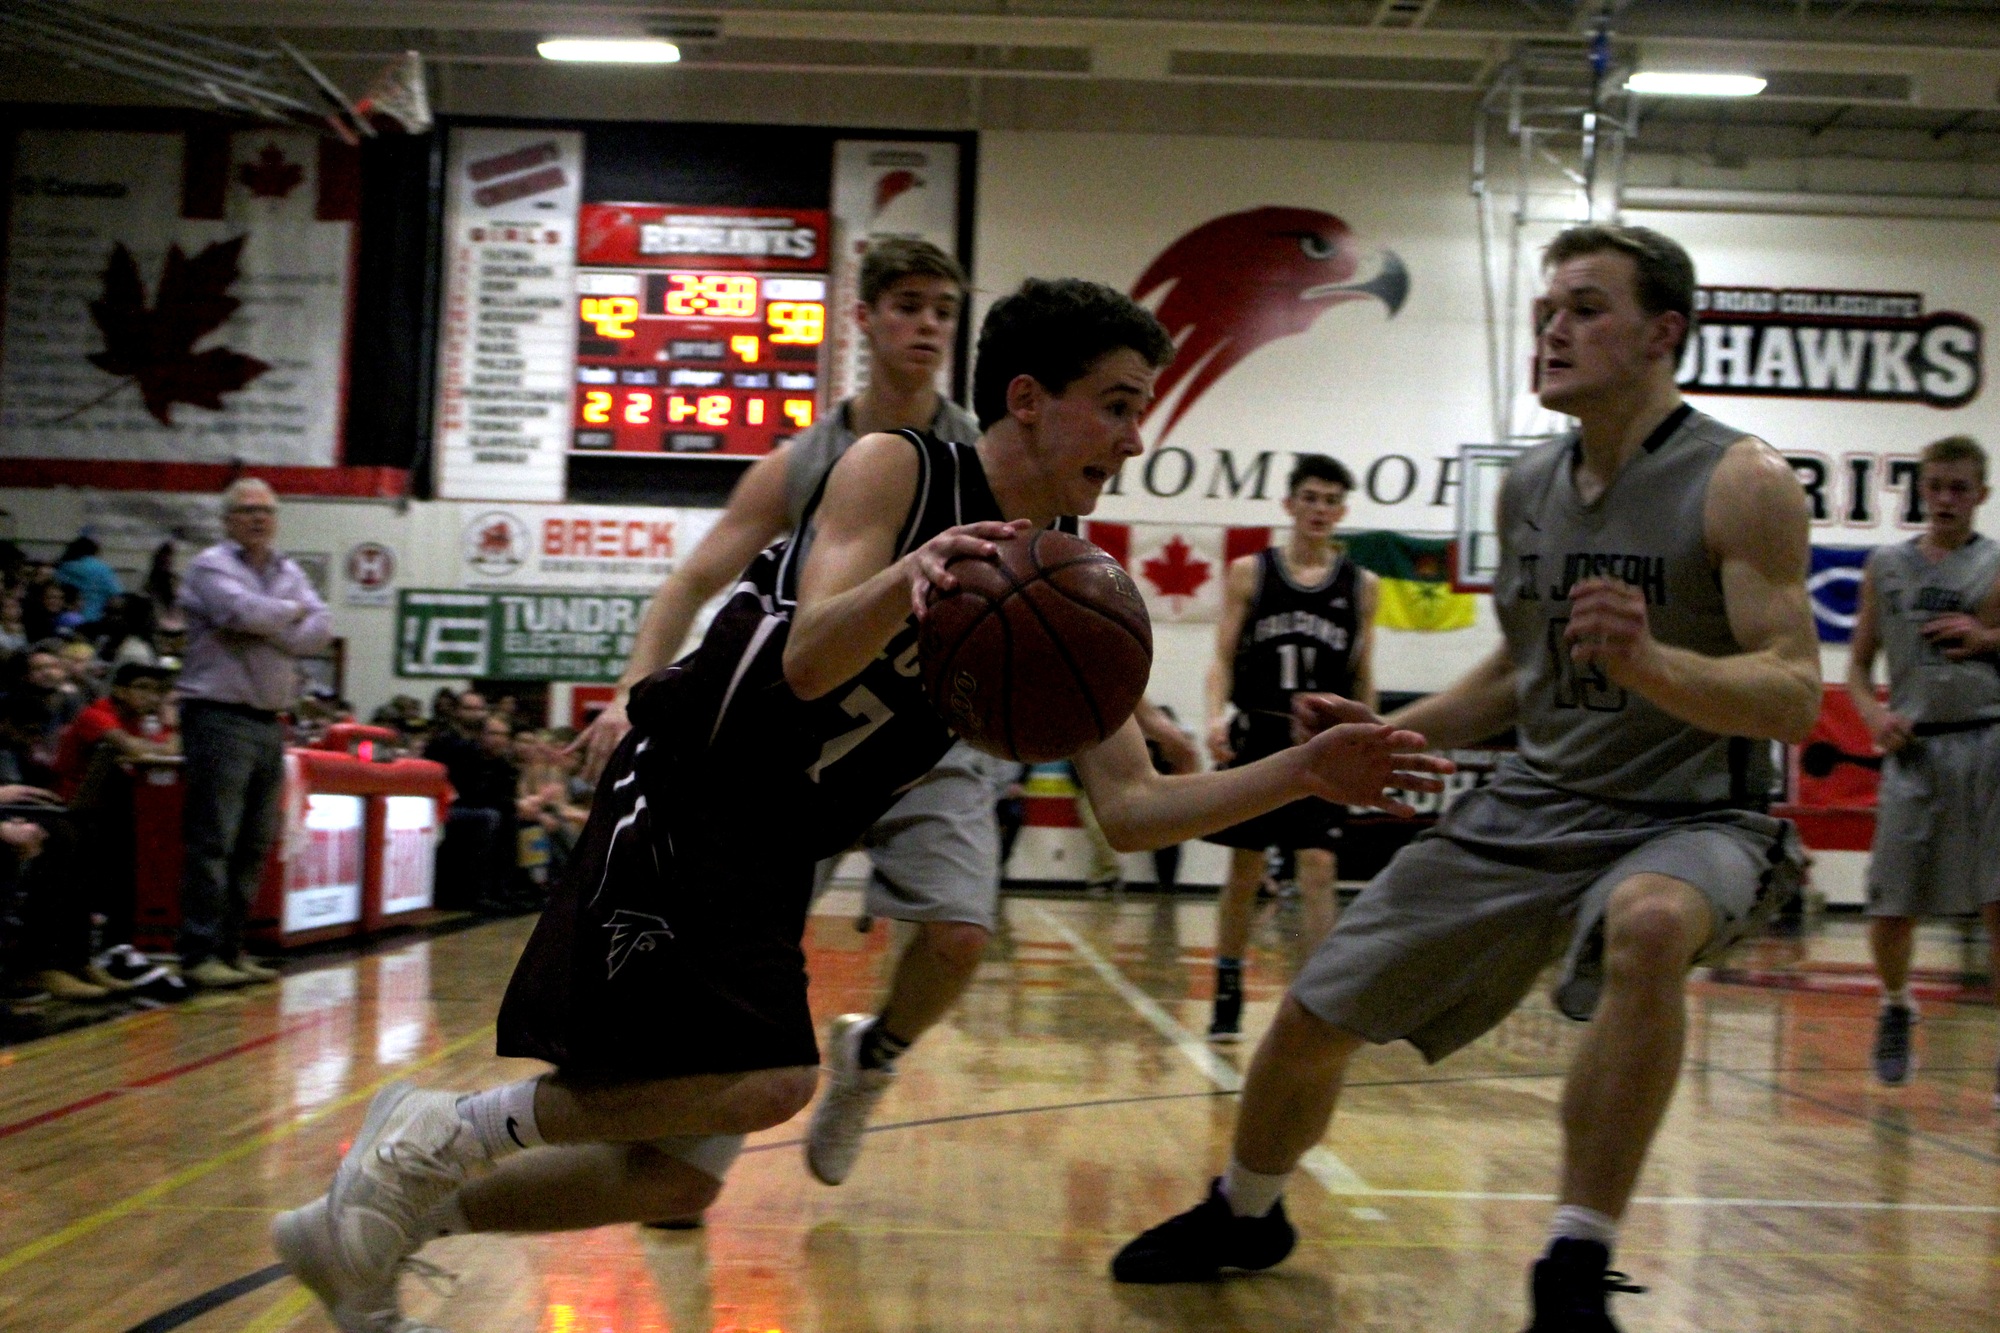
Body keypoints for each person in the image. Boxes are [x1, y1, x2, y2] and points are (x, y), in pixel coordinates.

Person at [272, 277, 1452, 1333]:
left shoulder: (1067, 580)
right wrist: (908, 579)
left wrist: (1303, 773)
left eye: (1138, 410)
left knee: (675, 1175)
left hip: (774, 846)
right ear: (1027, 399)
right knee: (773, 1082)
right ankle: (432, 1134)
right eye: (1115, 404)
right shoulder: (899, 467)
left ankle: (373, 1225)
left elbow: (1134, 808)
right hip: (691, 790)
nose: (1133, 436)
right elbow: (803, 664)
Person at [1112, 225, 1822, 1333]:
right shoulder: (1526, 485)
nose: (1553, 329)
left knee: (1645, 926)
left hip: (1695, 816)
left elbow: (1793, 692)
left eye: (1585, 308)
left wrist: (1654, 664)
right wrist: (1385, 734)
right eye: (1548, 310)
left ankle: (1574, 1260)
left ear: (1662, 334)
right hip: (1536, 801)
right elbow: (1512, 676)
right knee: (1317, 1005)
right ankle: (1246, 1210)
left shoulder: (1742, 480)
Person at [570, 237, 1028, 1189]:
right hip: (800, 736)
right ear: (863, 317)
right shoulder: (805, 459)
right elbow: (690, 579)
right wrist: (626, 694)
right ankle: (682, 1138)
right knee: (728, 974)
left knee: (960, 934)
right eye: (908, 304)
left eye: (943, 309)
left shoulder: (984, 454)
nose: (927, 324)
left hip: (928, 730)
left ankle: (875, 1056)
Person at [1844, 434, 2000, 1102]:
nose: (1944, 499)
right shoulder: (1888, 565)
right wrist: (1874, 717)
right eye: (1934, 486)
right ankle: (1896, 1004)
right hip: (1914, 750)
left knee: (1998, 903)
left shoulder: (1995, 564)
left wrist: (1986, 638)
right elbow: (1856, 668)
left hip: (1988, 742)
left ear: (1981, 495)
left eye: (1958, 488)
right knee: (1891, 904)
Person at [1201, 455, 1378, 1040]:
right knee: (1245, 869)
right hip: (1260, 731)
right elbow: (1222, 657)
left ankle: (1313, 998)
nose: (1320, 509)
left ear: (1342, 512)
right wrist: (1214, 717)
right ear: (1290, 505)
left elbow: (1363, 672)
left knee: (1319, 866)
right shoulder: (1250, 573)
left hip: (1322, 741)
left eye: (1331, 500)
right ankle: (1228, 985)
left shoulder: (1361, 586)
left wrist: (1370, 736)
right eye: (1311, 498)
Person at [175, 478, 331, 990]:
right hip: (217, 715)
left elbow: (320, 631)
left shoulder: (288, 569)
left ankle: (231, 948)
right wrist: (289, 615)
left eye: (266, 511)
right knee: (214, 839)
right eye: (246, 510)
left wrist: (267, 622)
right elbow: (239, 613)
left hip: (269, 720)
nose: (258, 518)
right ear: (227, 520)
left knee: (253, 843)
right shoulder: (210, 566)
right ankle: (199, 953)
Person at [54, 536, 122, 624]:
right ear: (94, 551)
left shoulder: (63, 567)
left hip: (65, 616)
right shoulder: (101, 568)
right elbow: (117, 594)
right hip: (94, 617)